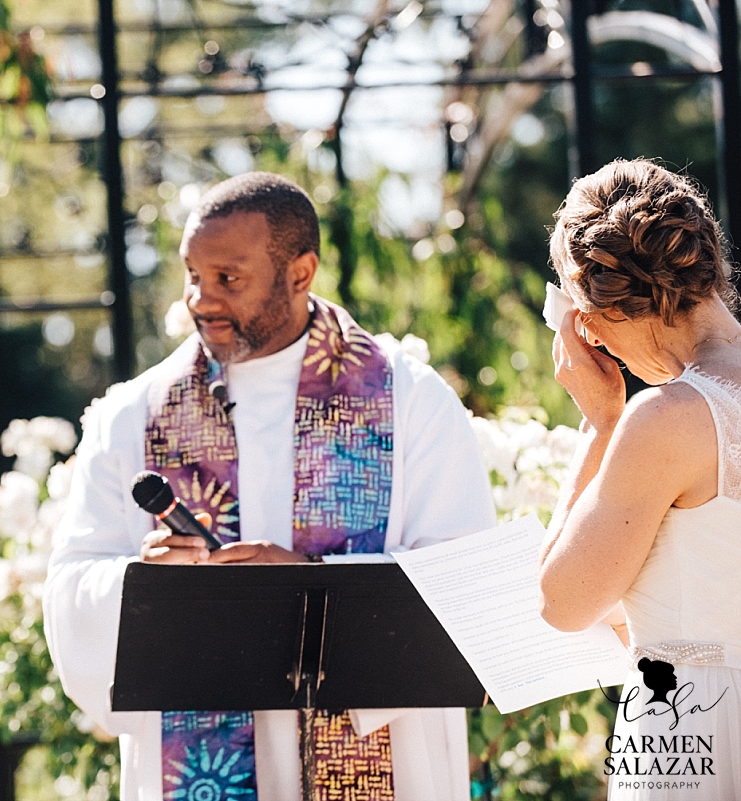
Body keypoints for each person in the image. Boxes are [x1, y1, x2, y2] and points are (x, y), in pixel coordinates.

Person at [43, 172, 495, 801]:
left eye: (229, 278)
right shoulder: (136, 415)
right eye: (193, 276)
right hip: (200, 746)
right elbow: (70, 587)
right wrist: (145, 583)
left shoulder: (410, 402)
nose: (201, 300)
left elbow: (471, 580)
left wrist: (308, 584)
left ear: (301, 273)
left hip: (378, 749)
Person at [539, 159, 741, 801]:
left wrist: (601, 424)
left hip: (693, 726)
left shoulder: (669, 419)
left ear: (592, 314)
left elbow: (563, 604)